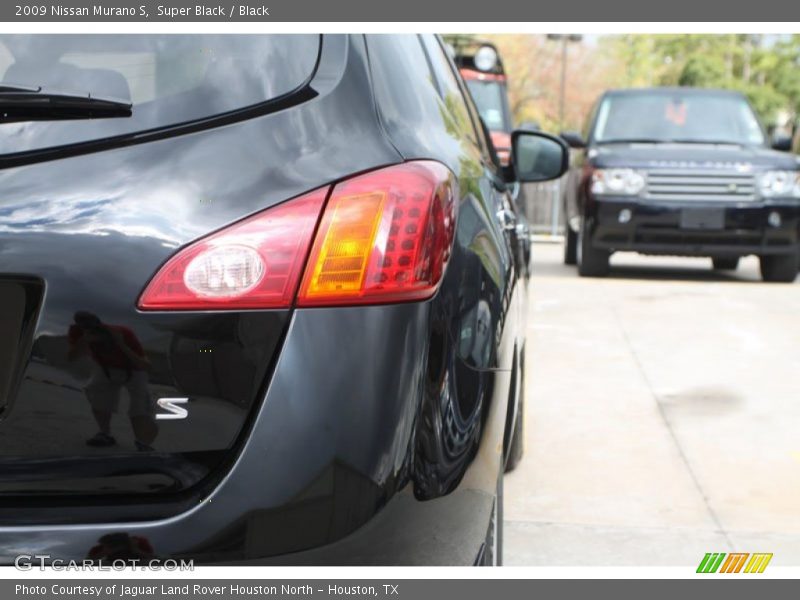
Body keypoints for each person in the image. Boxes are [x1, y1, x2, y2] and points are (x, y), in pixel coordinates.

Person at [67, 311, 157, 451]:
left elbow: (146, 366)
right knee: (96, 393)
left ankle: (143, 442)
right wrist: (84, 341)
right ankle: (104, 434)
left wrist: (121, 344)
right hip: (105, 367)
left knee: (140, 404)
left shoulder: (122, 333)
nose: (97, 336)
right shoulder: (79, 332)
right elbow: (71, 358)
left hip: (134, 370)